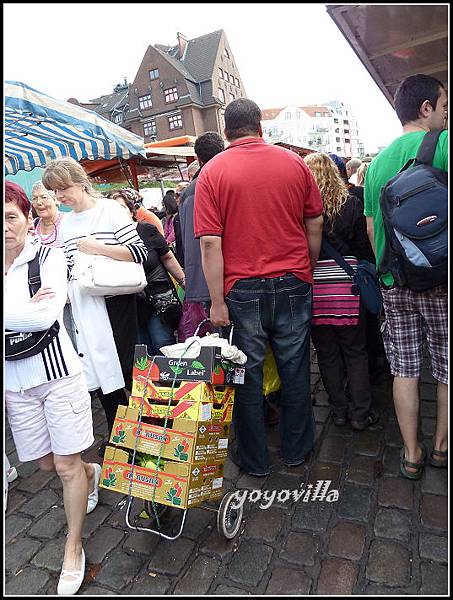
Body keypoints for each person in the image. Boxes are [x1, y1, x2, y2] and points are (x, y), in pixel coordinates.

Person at [194, 98, 324, 476]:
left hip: (242, 289)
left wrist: (217, 301)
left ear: (226, 130)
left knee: (246, 375)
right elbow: (314, 221)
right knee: (296, 368)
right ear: (259, 127)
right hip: (293, 281)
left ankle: (254, 459)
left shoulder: (212, 173)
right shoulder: (294, 163)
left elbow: (209, 243)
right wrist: (307, 267)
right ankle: (297, 450)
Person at [5, 180, 100, 595]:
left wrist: (28, 312)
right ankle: (91, 473)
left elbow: (44, 320)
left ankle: (73, 546)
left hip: (58, 374)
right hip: (15, 381)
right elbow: (29, 314)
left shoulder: (50, 256)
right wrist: (22, 310)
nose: (5, 226)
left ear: (28, 218)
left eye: (10, 217)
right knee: (45, 463)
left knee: (64, 466)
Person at [364, 74, 448, 479]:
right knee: (447, 367)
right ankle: (440, 448)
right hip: (441, 279)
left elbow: (370, 231)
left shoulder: (376, 163)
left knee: (406, 368)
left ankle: (411, 454)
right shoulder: (445, 145)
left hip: (394, 282)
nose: (447, 115)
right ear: (426, 108)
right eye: (444, 107)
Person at [42, 158, 148, 455]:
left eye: (63, 188)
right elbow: (68, 266)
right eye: (55, 191)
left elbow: (139, 253)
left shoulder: (110, 210)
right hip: (85, 304)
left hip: (116, 301)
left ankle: (147, 429)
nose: (60, 196)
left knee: (125, 368)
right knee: (99, 371)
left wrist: (97, 247)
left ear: (80, 182)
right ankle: (121, 435)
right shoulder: (66, 224)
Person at [304, 152, 378, 430]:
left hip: (316, 287)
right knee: (356, 351)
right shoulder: (351, 204)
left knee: (326, 352)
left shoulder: (300, 209)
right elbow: (363, 250)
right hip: (348, 288)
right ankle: (360, 413)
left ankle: (337, 411)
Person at [107, 188, 185, 354]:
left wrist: (183, 282)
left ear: (131, 210)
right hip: (129, 304)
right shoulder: (106, 239)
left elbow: (167, 257)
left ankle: (171, 381)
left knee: (163, 345)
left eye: (121, 207)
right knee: (142, 352)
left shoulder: (146, 230)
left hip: (157, 300)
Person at [178, 132, 225, 340]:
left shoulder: (192, 191)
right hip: (234, 276)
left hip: (208, 280)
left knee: (224, 344)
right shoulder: (224, 178)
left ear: (198, 159)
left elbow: (197, 244)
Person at [31, 181, 77, 349]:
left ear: (56, 199)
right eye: (35, 198)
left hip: (69, 296)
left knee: (72, 341)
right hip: (41, 296)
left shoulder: (69, 223)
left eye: (44, 197)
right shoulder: (32, 226)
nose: (39, 202)